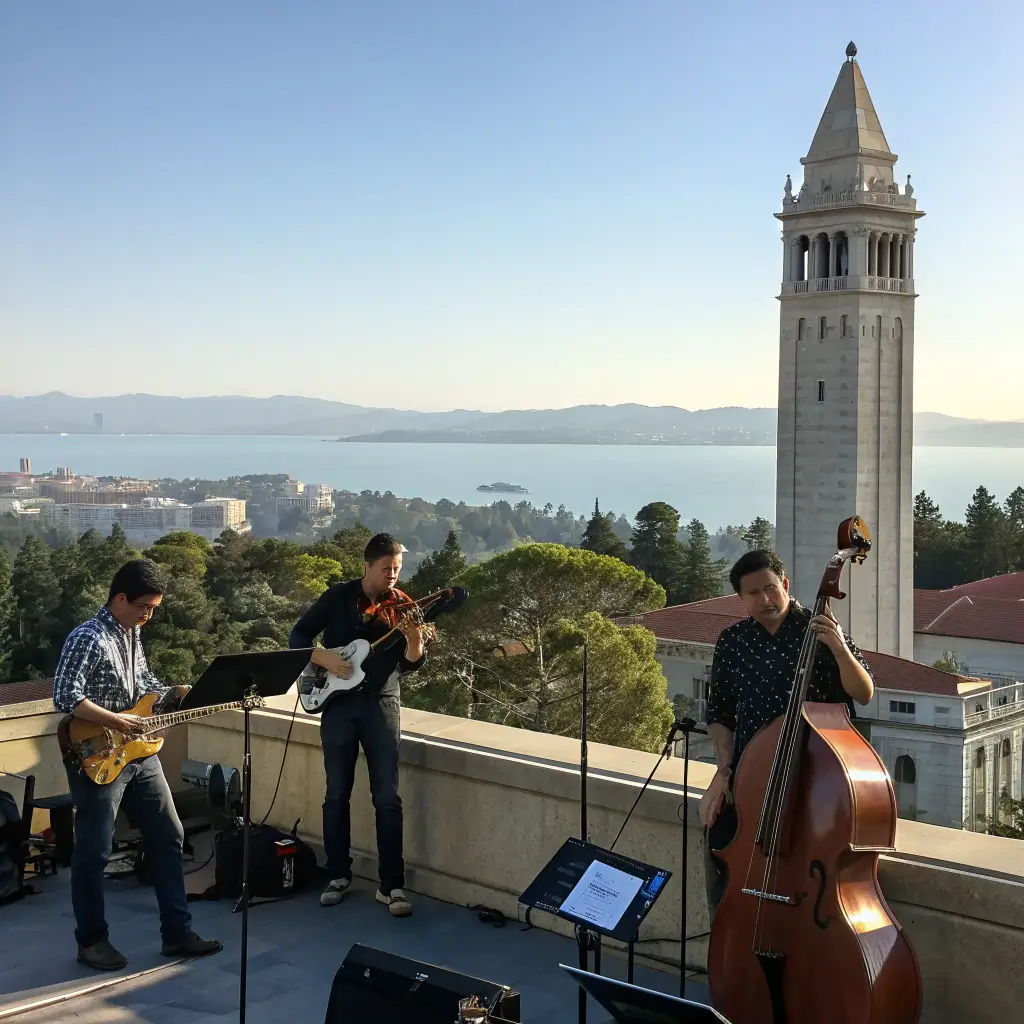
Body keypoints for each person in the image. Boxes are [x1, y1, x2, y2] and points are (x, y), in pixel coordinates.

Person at [52, 559, 222, 970]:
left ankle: (177, 934)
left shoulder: (132, 635)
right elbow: (64, 695)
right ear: (120, 598)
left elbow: (143, 687)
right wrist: (114, 720)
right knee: (94, 850)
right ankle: (91, 942)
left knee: (169, 834)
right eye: (144, 606)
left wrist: (176, 693)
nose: (149, 615)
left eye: (154, 609)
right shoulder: (87, 638)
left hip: (139, 753)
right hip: (97, 755)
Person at [698, 549, 874, 924]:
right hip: (750, 779)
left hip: (815, 782)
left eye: (771, 588)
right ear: (740, 599)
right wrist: (724, 772)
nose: (765, 599)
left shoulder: (820, 631)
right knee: (720, 848)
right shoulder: (732, 641)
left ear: (786, 585)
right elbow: (720, 714)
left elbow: (864, 692)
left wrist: (840, 649)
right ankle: (730, 956)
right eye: (753, 594)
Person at [289, 532, 427, 917]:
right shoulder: (337, 597)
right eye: (386, 569)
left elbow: (413, 662)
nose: (393, 576)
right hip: (337, 704)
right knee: (336, 793)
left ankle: (392, 885)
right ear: (366, 566)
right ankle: (338, 875)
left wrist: (415, 639)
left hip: (382, 703)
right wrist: (324, 660)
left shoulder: (404, 606)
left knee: (388, 796)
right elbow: (299, 633)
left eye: (397, 569)